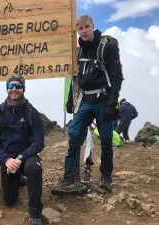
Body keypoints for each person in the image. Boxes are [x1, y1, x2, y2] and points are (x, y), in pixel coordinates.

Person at [51, 14, 123, 195]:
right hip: (85, 99)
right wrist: (70, 100)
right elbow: (74, 78)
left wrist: (112, 103)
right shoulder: (78, 51)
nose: (83, 31)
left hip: (104, 99)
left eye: (86, 27)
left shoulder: (107, 48)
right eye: (80, 29)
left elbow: (116, 77)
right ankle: (68, 179)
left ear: (93, 26)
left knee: (106, 139)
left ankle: (106, 177)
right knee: (74, 137)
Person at [0, 74, 45, 225]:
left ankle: (35, 214)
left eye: (18, 86)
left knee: (34, 168)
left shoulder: (31, 112)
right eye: (11, 86)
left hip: (26, 157)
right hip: (7, 158)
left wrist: (20, 158)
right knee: (10, 201)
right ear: (7, 89)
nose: (14, 89)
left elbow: (39, 142)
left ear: (23, 89)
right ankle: (18, 178)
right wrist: (6, 160)